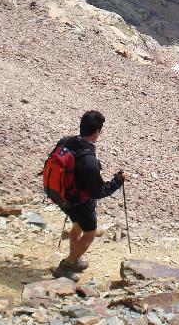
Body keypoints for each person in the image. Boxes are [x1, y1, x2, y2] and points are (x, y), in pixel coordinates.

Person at [53, 110, 126, 277]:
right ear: (97, 131)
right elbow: (98, 191)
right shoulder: (89, 161)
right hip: (80, 202)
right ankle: (67, 264)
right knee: (89, 234)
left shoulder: (66, 141)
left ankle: (75, 259)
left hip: (62, 196)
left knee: (77, 226)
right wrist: (118, 181)